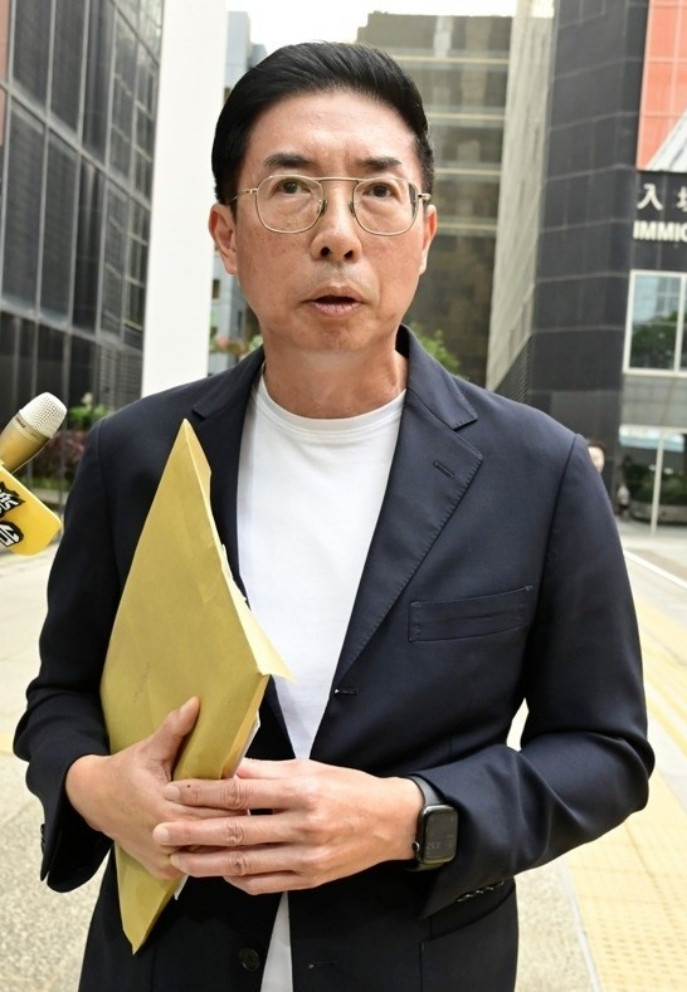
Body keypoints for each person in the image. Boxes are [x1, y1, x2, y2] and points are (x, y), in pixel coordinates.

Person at [14, 42, 653, 992]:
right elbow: (60, 698)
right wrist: (93, 786)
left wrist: (411, 816)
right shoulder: (137, 455)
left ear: (424, 232)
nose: (338, 235)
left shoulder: (539, 473)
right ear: (227, 235)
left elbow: (604, 752)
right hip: (166, 965)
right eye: (292, 190)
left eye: (378, 193)